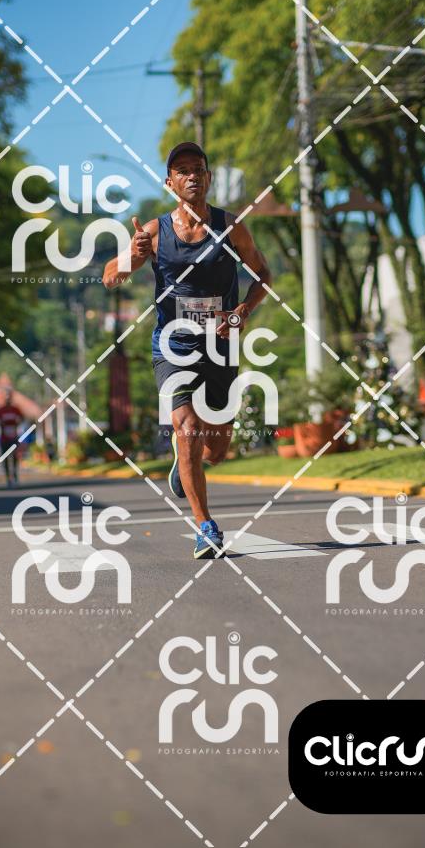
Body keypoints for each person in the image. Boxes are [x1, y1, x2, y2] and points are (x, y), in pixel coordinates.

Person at [103, 142, 272, 560]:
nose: (192, 175)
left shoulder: (231, 227)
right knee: (187, 428)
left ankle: (185, 463)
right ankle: (206, 527)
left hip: (220, 346)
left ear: (208, 178)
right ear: (170, 183)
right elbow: (109, 277)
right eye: (182, 170)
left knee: (216, 451)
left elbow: (263, 274)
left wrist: (242, 311)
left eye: (198, 168)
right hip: (173, 346)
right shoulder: (155, 232)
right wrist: (133, 257)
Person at [0, 389, 24, 487]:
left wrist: (18, 422)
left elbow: (22, 418)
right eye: (6, 397)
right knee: (5, 458)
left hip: (13, 437)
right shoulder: (0, 410)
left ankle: (15, 476)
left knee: (14, 457)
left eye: (9, 397)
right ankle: (8, 478)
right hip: (4, 438)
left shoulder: (15, 409)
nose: (8, 399)